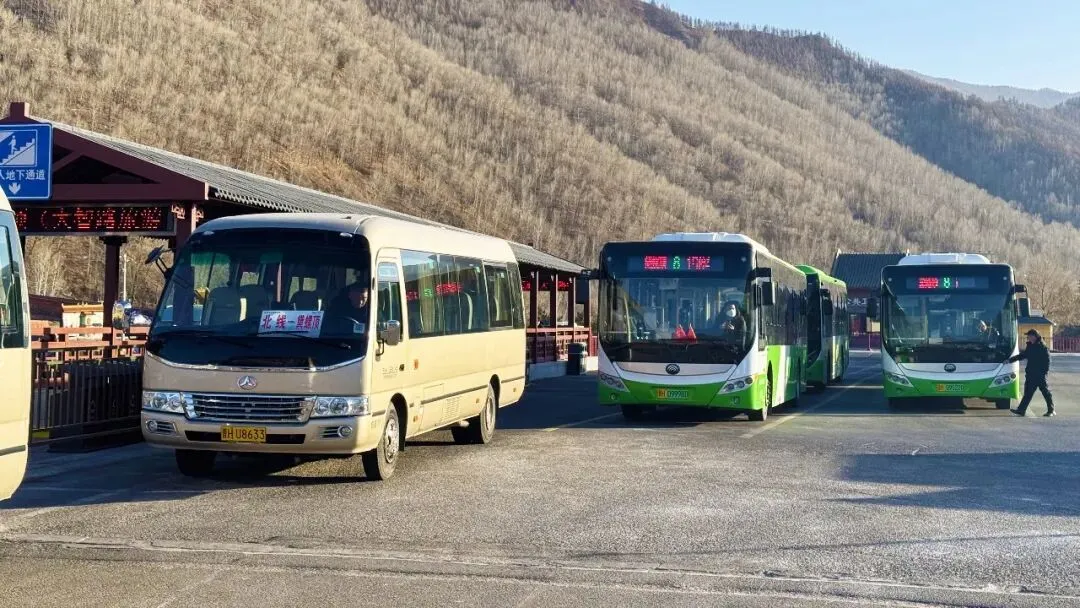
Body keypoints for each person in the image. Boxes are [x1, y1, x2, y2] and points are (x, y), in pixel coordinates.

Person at [1007, 329, 1055, 417]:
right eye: (1028, 336)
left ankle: (1051, 410)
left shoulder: (1042, 347)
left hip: (1040, 375)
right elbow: (1023, 355)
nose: (1028, 338)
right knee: (1028, 393)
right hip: (1031, 374)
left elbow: (1047, 361)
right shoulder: (1030, 346)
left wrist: (1044, 373)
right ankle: (1021, 410)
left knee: (1046, 392)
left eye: (1029, 336)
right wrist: (1010, 360)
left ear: (1034, 336)